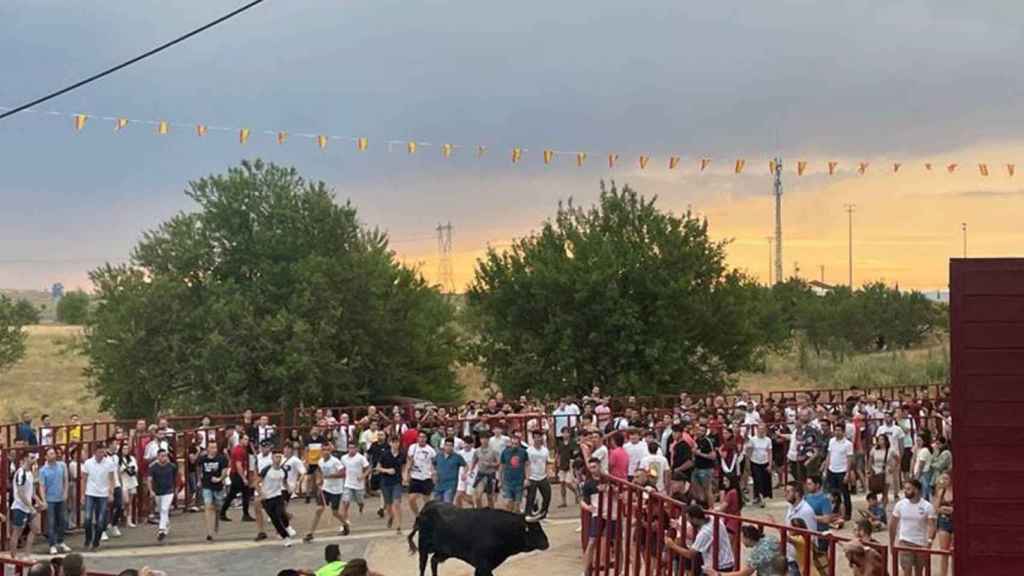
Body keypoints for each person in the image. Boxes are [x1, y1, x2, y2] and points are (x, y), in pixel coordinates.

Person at [662, 504, 735, 573]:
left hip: (719, 567)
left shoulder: (705, 533)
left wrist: (672, 545)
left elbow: (690, 554)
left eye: (689, 520)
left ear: (695, 519)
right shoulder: (714, 519)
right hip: (725, 562)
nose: (690, 523)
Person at [889, 479, 937, 576]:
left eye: (909, 489)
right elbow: (892, 525)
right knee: (906, 569)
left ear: (917, 490)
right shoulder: (900, 505)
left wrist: (929, 542)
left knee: (919, 571)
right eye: (905, 489)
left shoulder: (927, 506)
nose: (905, 491)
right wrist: (892, 543)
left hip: (921, 543)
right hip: (904, 542)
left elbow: (932, 526)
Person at [304, 440, 347, 542]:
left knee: (335, 512)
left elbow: (343, 473)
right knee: (319, 509)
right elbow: (318, 470)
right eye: (323, 450)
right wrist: (319, 479)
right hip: (326, 488)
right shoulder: (320, 461)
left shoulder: (335, 461)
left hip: (336, 489)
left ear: (330, 451)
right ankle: (310, 533)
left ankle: (345, 524)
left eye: (327, 450)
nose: (325, 452)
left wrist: (329, 476)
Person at [704, 525, 786, 576]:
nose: (741, 540)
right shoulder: (771, 539)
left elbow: (744, 573)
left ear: (748, 538)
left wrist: (719, 574)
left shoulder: (756, 553)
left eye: (742, 537)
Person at [257, 449, 295, 547]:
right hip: (267, 498)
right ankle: (285, 537)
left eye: (279, 457)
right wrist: (261, 494)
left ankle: (287, 526)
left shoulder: (283, 471)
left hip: (278, 496)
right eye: (276, 457)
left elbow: (284, 482)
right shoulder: (266, 470)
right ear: (272, 458)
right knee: (275, 519)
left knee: (281, 513)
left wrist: (289, 488)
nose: (278, 459)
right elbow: (256, 483)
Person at [82, 444, 116, 551]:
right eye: (99, 452)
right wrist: (83, 494)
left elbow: (111, 479)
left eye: (103, 452)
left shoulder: (109, 463)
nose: (102, 454)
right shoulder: (88, 463)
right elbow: (84, 479)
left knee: (101, 521)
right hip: (90, 492)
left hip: (103, 494)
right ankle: (88, 539)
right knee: (87, 518)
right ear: (95, 452)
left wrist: (111, 492)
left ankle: (96, 542)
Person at [39, 446, 72, 555]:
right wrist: (44, 500)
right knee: (51, 522)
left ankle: (61, 541)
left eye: (54, 453)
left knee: (62, 521)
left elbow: (65, 480)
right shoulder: (43, 470)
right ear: (46, 456)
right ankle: (52, 544)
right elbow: (42, 486)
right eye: (50, 454)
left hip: (61, 498)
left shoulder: (62, 465)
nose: (53, 455)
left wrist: (65, 492)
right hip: (50, 499)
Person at [197, 440, 229, 541]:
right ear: (207, 449)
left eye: (215, 447)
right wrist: (199, 479)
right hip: (207, 485)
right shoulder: (203, 459)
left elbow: (225, 472)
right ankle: (209, 532)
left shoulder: (222, 458)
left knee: (218, 507)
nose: (213, 450)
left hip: (218, 486)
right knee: (208, 505)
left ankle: (216, 523)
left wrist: (220, 479)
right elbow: (199, 468)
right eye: (211, 448)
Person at [221, 434, 256, 523]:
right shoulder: (239, 451)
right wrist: (244, 478)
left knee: (241, 493)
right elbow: (238, 465)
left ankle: (244, 514)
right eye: (245, 439)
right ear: (240, 440)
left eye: (247, 439)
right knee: (239, 493)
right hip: (237, 475)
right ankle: (224, 512)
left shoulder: (241, 449)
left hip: (237, 474)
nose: (247, 441)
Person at [11, 451, 39, 560]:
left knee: (35, 529)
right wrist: (30, 507)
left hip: (27, 507)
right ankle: (13, 558)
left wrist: (39, 502)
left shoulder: (30, 473)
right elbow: (20, 493)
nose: (34, 459)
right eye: (31, 457)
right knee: (17, 532)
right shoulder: (20, 473)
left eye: (34, 457)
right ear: (25, 459)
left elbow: (31, 493)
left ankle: (27, 555)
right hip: (19, 507)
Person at [375, 435, 405, 533]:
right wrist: (387, 470)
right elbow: (377, 467)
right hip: (386, 482)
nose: (396, 444)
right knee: (388, 505)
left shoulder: (401, 454)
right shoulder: (385, 454)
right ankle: (391, 516)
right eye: (394, 442)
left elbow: (404, 466)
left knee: (397, 503)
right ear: (390, 443)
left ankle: (399, 526)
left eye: (397, 442)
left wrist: (404, 476)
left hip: (397, 481)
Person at [339, 441, 370, 535]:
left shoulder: (361, 458)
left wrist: (363, 476)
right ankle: (344, 522)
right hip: (348, 483)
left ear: (356, 448)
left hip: (359, 485)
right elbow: (342, 468)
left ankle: (361, 506)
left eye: (353, 448)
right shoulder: (344, 458)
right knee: (345, 502)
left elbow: (368, 468)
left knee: (360, 501)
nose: (351, 450)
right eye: (349, 448)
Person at [825, 422, 854, 521]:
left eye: (839, 430)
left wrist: (847, 473)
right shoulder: (831, 441)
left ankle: (848, 513)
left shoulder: (848, 444)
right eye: (835, 430)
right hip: (832, 470)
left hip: (842, 471)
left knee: (845, 493)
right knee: (834, 493)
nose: (837, 432)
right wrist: (826, 469)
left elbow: (849, 459)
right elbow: (829, 455)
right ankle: (836, 511)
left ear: (843, 432)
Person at [404, 431, 437, 517]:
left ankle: (428, 516)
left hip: (426, 477)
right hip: (415, 476)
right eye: (420, 437)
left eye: (424, 437)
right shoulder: (412, 447)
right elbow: (409, 460)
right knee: (411, 499)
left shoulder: (431, 450)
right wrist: (406, 474)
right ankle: (417, 515)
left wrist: (434, 475)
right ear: (417, 438)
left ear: (426, 439)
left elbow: (434, 464)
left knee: (427, 500)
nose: (422, 439)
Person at [147, 448, 177, 542]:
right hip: (158, 492)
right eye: (162, 456)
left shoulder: (172, 466)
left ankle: (161, 530)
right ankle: (166, 525)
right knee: (161, 510)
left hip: (169, 491)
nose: (164, 458)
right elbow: (149, 480)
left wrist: (176, 489)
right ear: (158, 457)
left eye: (165, 456)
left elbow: (176, 478)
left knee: (164, 509)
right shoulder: (153, 467)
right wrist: (151, 490)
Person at [499, 428, 528, 512]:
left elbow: (526, 465)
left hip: (519, 481)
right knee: (509, 502)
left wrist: (527, 478)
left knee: (517, 503)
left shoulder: (523, 452)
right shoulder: (505, 452)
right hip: (508, 481)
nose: (515, 444)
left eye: (516, 443)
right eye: (513, 442)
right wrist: (500, 479)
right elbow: (501, 466)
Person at [524, 430, 551, 518]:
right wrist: (527, 478)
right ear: (533, 438)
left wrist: (548, 473)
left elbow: (546, 463)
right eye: (536, 437)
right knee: (531, 497)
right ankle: (528, 513)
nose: (538, 439)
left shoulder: (545, 450)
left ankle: (543, 513)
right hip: (532, 477)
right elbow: (526, 464)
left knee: (547, 495)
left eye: (539, 437)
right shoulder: (529, 451)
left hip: (543, 476)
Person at [432, 437, 466, 504]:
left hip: (451, 484)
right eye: (447, 445)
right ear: (444, 446)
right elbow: (433, 464)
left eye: (450, 445)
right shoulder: (439, 455)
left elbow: (465, 465)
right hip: (439, 484)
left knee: (447, 504)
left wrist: (464, 473)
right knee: (437, 504)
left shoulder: (457, 457)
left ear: (453, 447)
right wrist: (434, 472)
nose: (448, 447)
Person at [747, 424, 773, 506]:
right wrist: (748, 463)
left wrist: (770, 464)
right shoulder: (753, 440)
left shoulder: (768, 440)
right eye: (759, 429)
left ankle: (758, 496)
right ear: (757, 430)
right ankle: (761, 499)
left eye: (763, 429)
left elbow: (769, 452)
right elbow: (749, 452)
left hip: (764, 462)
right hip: (755, 462)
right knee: (757, 480)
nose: (761, 431)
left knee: (764, 480)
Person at [472, 431, 500, 508]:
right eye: (482, 439)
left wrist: (490, 464)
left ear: (488, 440)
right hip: (481, 474)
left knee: (490, 497)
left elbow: (499, 463)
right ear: (480, 440)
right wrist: (471, 470)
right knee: (478, 496)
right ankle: (479, 512)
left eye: (486, 439)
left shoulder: (494, 451)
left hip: (490, 474)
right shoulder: (477, 451)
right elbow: (474, 460)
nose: (484, 440)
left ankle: (491, 514)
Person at [933, 473, 954, 576]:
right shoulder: (941, 491)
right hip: (943, 522)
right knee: (943, 551)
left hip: (954, 522)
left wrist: (952, 510)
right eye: (942, 478)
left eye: (946, 478)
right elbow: (936, 508)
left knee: (954, 552)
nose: (943, 480)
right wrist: (942, 509)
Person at [116, 443, 140, 528]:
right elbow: (118, 471)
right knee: (125, 501)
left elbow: (136, 469)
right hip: (123, 481)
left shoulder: (132, 458)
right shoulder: (118, 459)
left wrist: (131, 469)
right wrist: (124, 469)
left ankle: (128, 520)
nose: (125, 450)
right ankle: (122, 516)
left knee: (130, 502)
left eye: (127, 448)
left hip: (132, 481)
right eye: (124, 449)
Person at [455, 435, 477, 508]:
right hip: (461, 476)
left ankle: (475, 507)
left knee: (470, 496)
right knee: (458, 496)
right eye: (465, 443)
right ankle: (459, 511)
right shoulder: (459, 453)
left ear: (472, 444)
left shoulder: (476, 452)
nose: (466, 445)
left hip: (472, 476)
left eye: (468, 443)